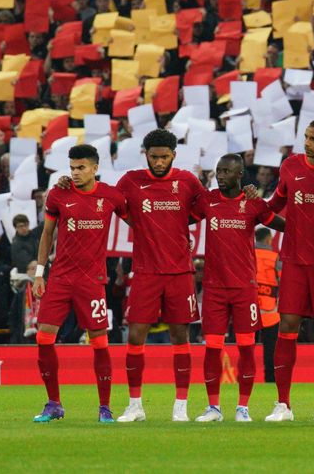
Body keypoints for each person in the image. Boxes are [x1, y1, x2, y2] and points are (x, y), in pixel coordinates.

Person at [105, 129, 209, 422]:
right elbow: (111, 202)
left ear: (174, 155)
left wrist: (178, 227)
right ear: (145, 154)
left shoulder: (187, 180)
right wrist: (136, 221)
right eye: (154, 157)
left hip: (179, 271)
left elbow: (205, 207)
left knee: (180, 336)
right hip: (146, 271)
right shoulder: (131, 181)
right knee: (136, 336)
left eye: (165, 157)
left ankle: (181, 406)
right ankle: (135, 405)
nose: (160, 162)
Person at [31, 144, 128, 423]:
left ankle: (105, 407)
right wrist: (40, 273)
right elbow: (47, 235)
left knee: (99, 344)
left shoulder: (110, 196)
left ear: (95, 168)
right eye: (72, 167)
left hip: (92, 281)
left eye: (81, 167)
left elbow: (137, 223)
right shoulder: (58, 194)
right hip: (60, 278)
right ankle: (54, 404)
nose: (75, 173)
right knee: (43, 337)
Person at [193, 154, 285, 423]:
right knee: (212, 348)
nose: (220, 176)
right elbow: (182, 219)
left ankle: (242, 408)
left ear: (240, 175)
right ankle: (213, 408)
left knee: (246, 348)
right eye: (218, 171)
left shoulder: (252, 203)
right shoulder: (208, 201)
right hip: (214, 288)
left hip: (245, 287)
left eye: (226, 172)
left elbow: (279, 224)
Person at [264, 117, 314, 422]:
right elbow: (275, 204)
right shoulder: (290, 166)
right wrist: (253, 207)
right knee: (286, 327)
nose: (308, 143)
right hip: (295, 260)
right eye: (306, 137)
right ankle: (283, 404)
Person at [254, 228, 280, 383]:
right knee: (270, 352)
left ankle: (243, 381)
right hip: (270, 312)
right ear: (269, 239)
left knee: (246, 350)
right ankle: (270, 381)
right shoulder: (275, 257)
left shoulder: (246, 254)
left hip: (248, 310)